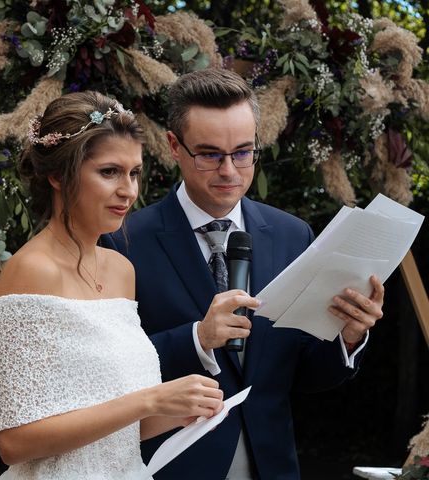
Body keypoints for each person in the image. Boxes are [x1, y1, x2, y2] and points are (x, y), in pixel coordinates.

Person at [103, 68, 385, 479]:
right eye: (210, 154)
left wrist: (347, 336)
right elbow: (107, 374)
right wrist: (197, 338)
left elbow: (303, 373)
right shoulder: (123, 242)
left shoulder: (293, 235)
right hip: (169, 467)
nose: (230, 171)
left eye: (243, 152)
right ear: (173, 147)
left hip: (272, 465)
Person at [0, 91, 225, 479]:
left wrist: (175, 410)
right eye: (109, 172)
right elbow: (15, 442)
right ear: (57, 176)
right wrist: (150, 398)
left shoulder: (121, 270)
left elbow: (116, 429)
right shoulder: (31, 270)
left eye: (134, 173)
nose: (128, 191)